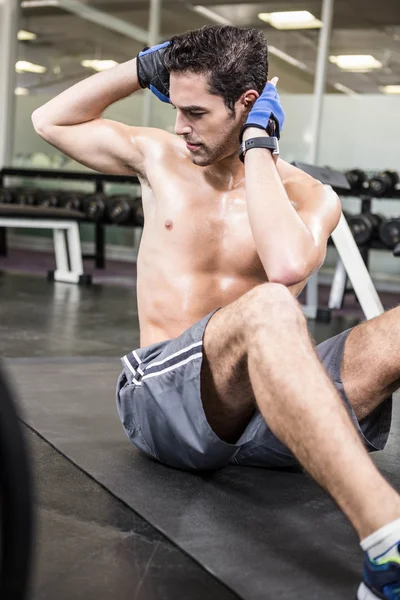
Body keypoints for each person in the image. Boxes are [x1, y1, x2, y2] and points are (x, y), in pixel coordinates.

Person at [32, 24, 400, 600]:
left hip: (267, 418)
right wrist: (139, 70)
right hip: (165, 403)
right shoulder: (158, 158)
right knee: (270, 308)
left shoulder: (310, 196)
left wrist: (258, 148)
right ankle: (389, 540)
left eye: (197, 112)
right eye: (175, 107)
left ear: (248, 106)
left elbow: (282, 262)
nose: (181, 127)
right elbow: (49, 121)